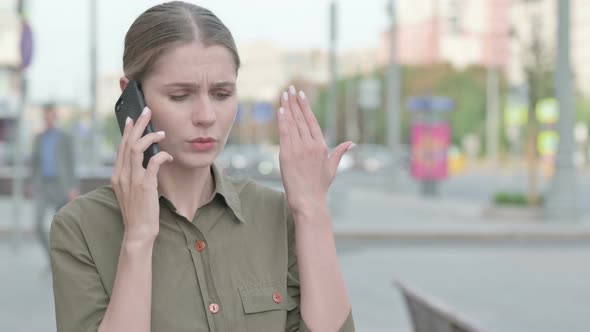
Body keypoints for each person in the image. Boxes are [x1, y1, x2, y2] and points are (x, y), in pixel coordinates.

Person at [50, 2, 355, 331]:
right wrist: (137, 240)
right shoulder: (79, 228)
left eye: (222, 94)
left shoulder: (276, 215)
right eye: (181, 95)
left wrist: (312, 210)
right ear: (132, 98)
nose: (206, 116)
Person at [28, 102, 78, 262]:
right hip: (43, 185)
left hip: (60, 186)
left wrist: (72, 187)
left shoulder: (65, 137)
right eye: (45, 117)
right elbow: (34, 163)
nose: (47, 119)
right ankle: (51, 256)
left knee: (60, 226)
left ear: (54, 117)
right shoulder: (38, 138)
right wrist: (30, 183)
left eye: (50, 116)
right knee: (37, 224)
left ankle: (61, 259)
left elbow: (71, 163)